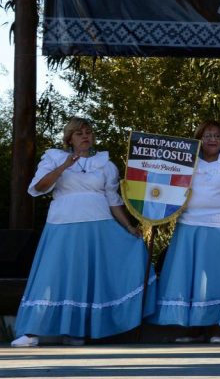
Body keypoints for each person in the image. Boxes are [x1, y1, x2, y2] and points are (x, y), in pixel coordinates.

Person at [12, 117, 153, 347]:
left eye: (88, 132)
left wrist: (128, 226)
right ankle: (31, 332)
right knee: (52, 275)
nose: (86, 136)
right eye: (79, 133)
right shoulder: (54, 158)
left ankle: (76, 331)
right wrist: (64, 166)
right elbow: (38, 187)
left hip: (99, 226)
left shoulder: (105, 164)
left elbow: (113, 200)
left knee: (86, 277)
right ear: (69, 138)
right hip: (63, 224)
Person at [149, 120, 220, 343]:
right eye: (207, 135)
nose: (212, 139)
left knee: (218, 280)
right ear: (200, 139)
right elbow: (167, 188)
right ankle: (194, 329)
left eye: (216, 135)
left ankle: (217, 328)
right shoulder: (186, 161)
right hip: (190, 227)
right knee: (192, 280)